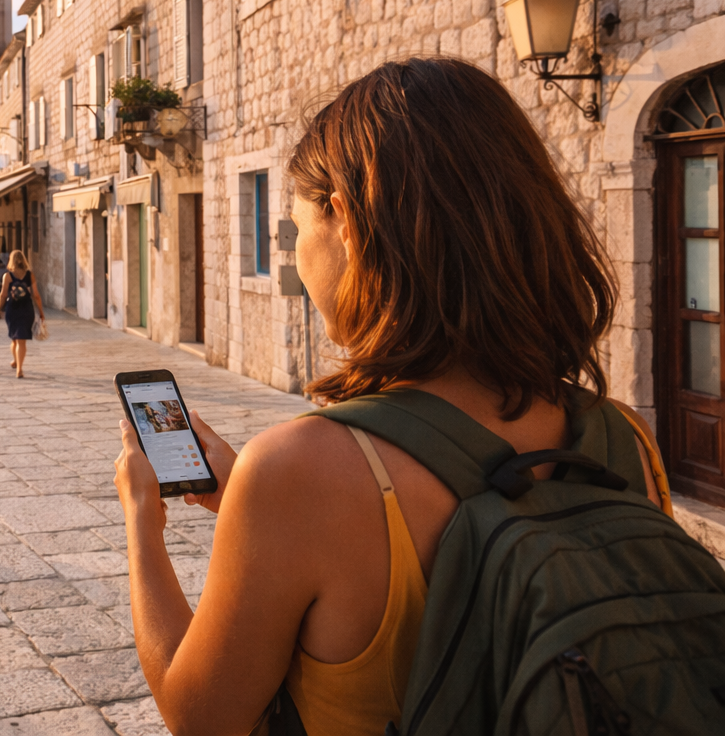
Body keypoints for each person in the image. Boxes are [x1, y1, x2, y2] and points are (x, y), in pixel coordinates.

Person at [112, 59, 666, 736]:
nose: (294, 256)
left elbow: (199, 717)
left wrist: (143, 521)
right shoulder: (622, 437)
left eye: (294, 232)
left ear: (343, 221)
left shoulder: (299, 471)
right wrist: (246, 504)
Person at [0, 250, 43, 379]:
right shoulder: (29, 275)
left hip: (13, 309)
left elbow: (3, 295)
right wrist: (41, 312)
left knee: (15, 339)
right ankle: (19, 366)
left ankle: (18, 365)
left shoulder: (8, 276)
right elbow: (36, 295)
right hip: (27, 309)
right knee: (22, 341)